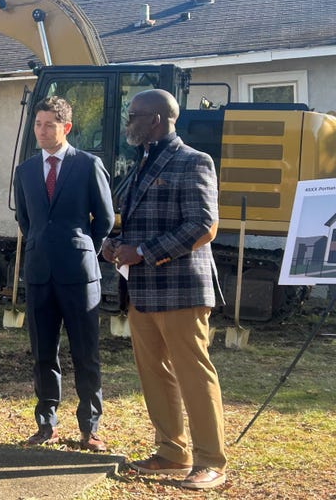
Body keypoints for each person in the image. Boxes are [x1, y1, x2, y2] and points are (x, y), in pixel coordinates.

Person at [101, 89, 227, 490]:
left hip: (181, 289)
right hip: (143, 291)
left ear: (155, 120)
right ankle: (172, 452)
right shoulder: (142, 162)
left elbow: (202, 226)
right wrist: (113, 243)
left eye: (133, 116)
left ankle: (211, 462)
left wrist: (142, 252)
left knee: (193, 375)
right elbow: (132, 221)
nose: (128, 123)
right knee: (154, 373)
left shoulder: (194, 162)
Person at [13, 96, 114, 452]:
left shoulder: (87, 165)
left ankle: (91, 427)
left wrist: (84, 249)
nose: (41, 131)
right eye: (37, 124)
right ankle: (46, 423)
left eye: (49, 125)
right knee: (43, 352)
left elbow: (105, 219)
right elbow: (25, 219)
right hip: (40, 272)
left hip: (79, 273)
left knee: (86, 353)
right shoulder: (24, 171)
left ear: (66, 127)